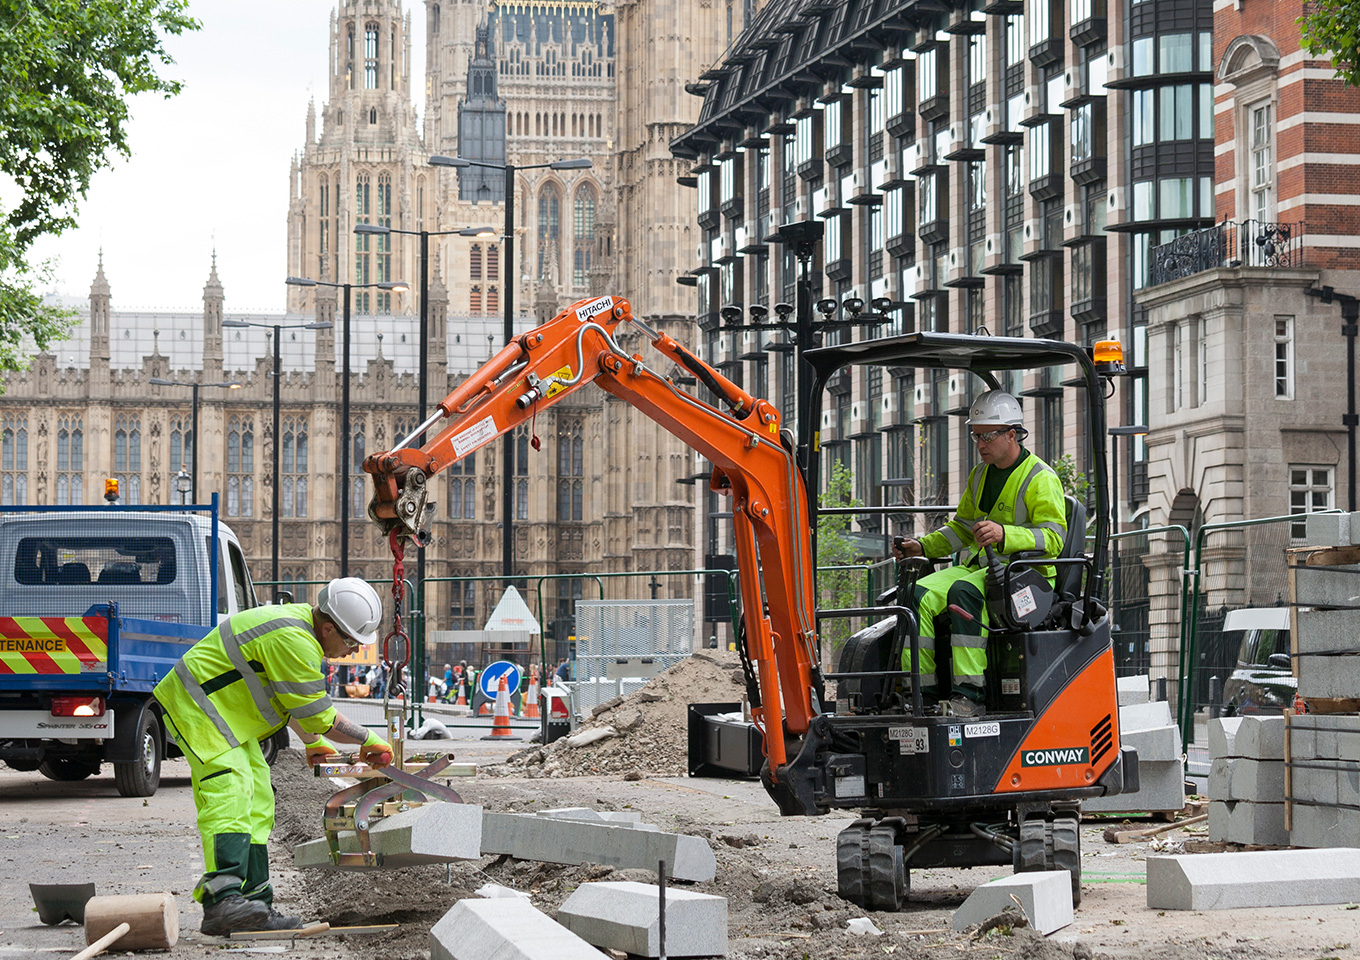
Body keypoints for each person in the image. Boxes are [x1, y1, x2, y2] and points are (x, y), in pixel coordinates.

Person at [153, 577, 395, 937]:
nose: (352, 651)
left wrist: (311, 743)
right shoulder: (294, 640)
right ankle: (222, 900)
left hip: (226, 715)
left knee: (259, 798)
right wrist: (368, 740)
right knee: (230, 793)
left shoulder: (301, 629)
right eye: (350, 641)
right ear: (328, 627)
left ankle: (253, 904)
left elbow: (290, 699)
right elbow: (321, 717)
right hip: (199, 708)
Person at [892, 391, 1066, 717]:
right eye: (976, 436)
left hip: (1027, 577)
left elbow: (1054, 539)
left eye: (987, 436)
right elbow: (961, 529)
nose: (980, 444)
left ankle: (969, 696)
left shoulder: (1040, 478)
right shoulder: (979, 475)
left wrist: (1005, 535)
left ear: (1012, 434)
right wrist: (923, 546)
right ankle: (922, 695)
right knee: (919, 594)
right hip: (982, 567)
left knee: (964, 592)